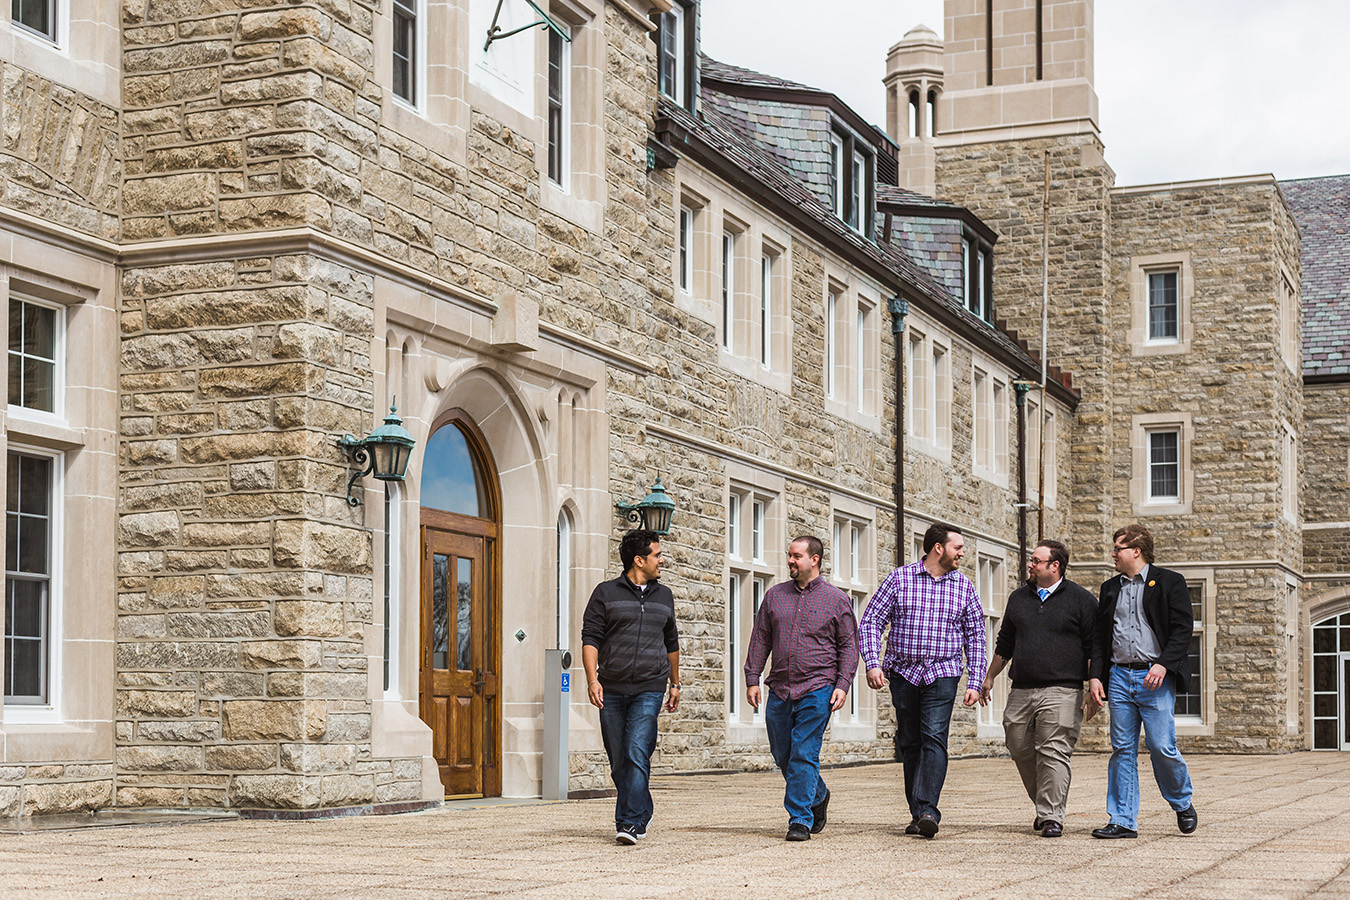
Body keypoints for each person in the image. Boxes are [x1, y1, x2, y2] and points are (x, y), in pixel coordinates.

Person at [858, 522, 987, 839]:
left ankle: (928, 809)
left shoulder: (964, 587)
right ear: (938, 548)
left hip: (943, 673)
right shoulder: (900, 579)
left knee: (933, 737)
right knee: (910, 742)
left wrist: (975, 680)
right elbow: (871, 620)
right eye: (958, 547)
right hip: (903, 672)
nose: (962, 553)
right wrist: (873, 664)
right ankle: (918, 813)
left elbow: (977, 637)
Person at [980, 539, 1098, 838]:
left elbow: (1095, 647)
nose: (1029, 565)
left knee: (1053, 751)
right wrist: (990, 676)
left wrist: (1095, 683)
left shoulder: (1082, 600)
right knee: (1018, 747)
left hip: (1063, 689)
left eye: (1035, 560)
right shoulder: (1019, 598)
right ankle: (1048, 805)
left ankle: (1051, 816)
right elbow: (1005, 642)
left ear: (1054, 566)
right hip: (1021, 689)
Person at [744, 536, 858, 842]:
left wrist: (843, 685)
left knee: (804, 752)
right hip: (780, 687)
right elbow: (760, 639)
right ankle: (818, 794)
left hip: (818, 686)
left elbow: (849, 646)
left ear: (814, 559)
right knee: (783, 754)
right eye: (789, 556)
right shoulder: (774, 596)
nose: (790, 561)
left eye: (796, 556)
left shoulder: (837, 600)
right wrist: (752, 678)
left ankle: (799, 819)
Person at [1088, 524, 1198, 839]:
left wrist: (1164, 665)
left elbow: (1182, 630)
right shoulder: (1110, 588)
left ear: (1136, 550)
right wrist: (1096, 676)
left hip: (1155, 678)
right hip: (1120, 675)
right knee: (1122, 748)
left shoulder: (1170, 582)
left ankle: (1182, 801)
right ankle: (1122, 820)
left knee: (1161, 746)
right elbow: (1100, 637)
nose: (1113, 554)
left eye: (1117, 548)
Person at [581, 529, 681, 845]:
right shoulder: (605, 593)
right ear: (639, 560)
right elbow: (590, 638)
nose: (661, 560)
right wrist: (592, 679)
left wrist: (675, 683)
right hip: (610, 687)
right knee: (619, 760)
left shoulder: (664, 595)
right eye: (657, 554)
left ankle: (628, 822)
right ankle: (642, 807)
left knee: (637, 750)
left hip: (650, 687)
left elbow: (672, 642)